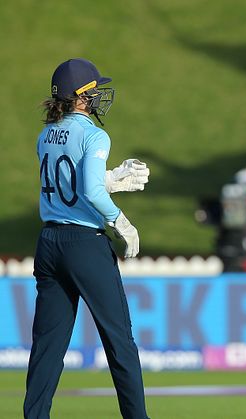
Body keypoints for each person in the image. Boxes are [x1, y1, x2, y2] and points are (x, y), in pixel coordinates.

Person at [25, 58, 150, 419]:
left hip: (48, 243)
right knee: (119, 341)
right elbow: (91, 192)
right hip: (84, 244)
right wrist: (122, 222)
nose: (97, 95)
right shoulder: (95, 134)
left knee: (47, 346)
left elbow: (71, 183)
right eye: (92, 90)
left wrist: (112, 179)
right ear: (80, 97)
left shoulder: (45, 135)